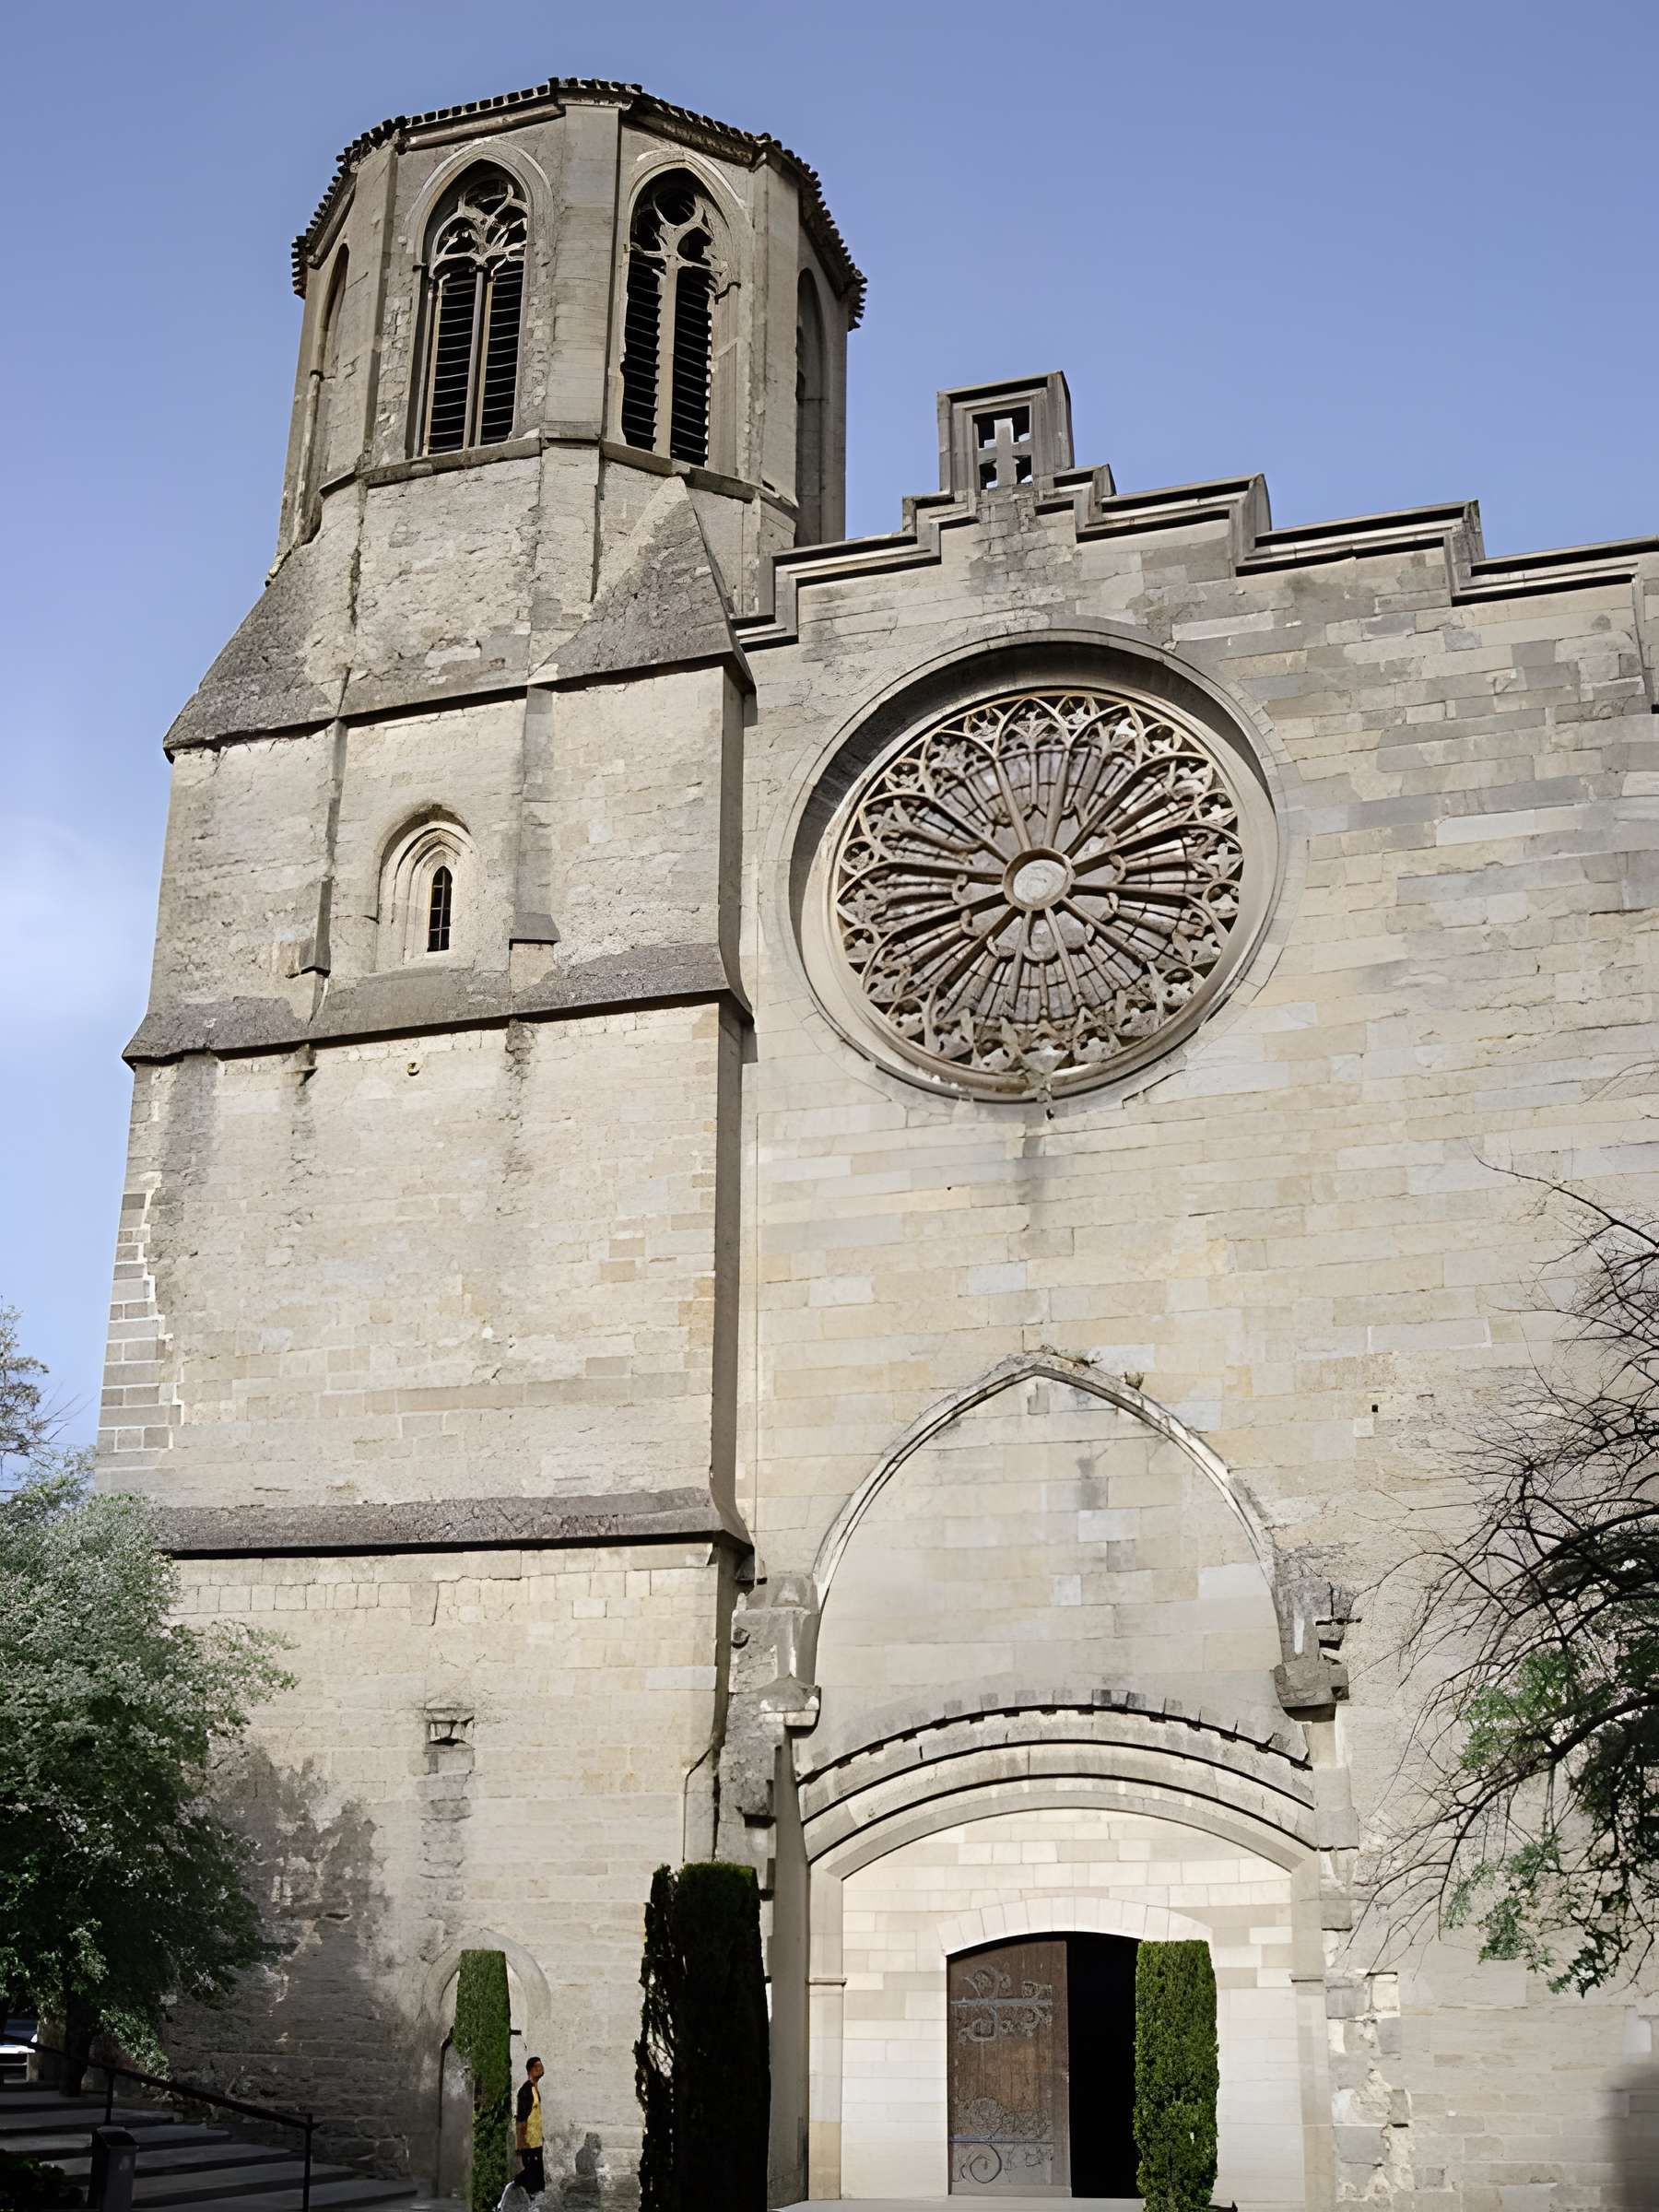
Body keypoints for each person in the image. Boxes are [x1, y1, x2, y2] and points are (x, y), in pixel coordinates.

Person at [514, 2055, 546, 2198]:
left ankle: (535, 2202)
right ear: (531, 2070)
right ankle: (516, 2184)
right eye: (538, 2066)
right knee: (531, 2176)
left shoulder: (535, 2089)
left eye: (541, 2065)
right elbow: (521, 2118)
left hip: (536, 2140)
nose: (541, 2068)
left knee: (538, 2176)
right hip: (529, 2142)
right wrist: (521, 2143)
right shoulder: (525, 2091)